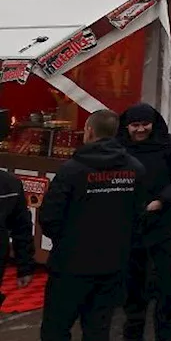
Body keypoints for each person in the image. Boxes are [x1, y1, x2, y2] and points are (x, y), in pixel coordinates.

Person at [39, 109, 145, 341]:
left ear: (88, 131)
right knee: (98, 330)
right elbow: (139, 217)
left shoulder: (72, 170)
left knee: (55, 330)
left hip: (70, 266)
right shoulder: (135, 169)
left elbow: (49, 218)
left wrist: (67, 243)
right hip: (112, 266)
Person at [118, 104, 171, 341]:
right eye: (135, 125)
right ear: (126, 126)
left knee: (166, 283)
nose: (140, 130)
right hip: (130, 224)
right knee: (133, 286)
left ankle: (167, 334)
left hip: (163, 223)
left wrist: (163, 199)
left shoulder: (168, 143)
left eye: (145, 125)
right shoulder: (119, 146)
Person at [0, 165, 36, 312]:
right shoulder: (10, 183)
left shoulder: (10, 184)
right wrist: (25, 267)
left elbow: (21, 226)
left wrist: (25, 267)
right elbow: (22, 227)